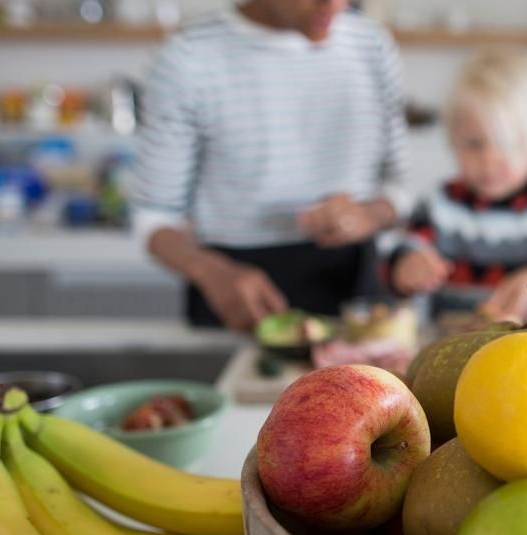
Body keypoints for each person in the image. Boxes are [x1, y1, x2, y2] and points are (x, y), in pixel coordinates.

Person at [129, 0, 410, 330]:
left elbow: (398, 187)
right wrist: (209, 271)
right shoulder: (189, 58)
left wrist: (368, 215)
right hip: (237, 297)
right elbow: (155, 218)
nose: (335, 5)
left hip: (355, 293)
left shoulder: (372, 46)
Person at [388, 48, 527, 324]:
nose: (489, 160)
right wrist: (405, 266)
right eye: (474, 144)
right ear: (453, 139)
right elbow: (399, 255)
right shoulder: (439, 204)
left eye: (508, 145)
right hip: (455, 354)